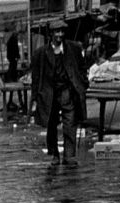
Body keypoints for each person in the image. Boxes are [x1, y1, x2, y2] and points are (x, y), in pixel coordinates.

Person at [31, 19, 89, 166]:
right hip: (49, 94)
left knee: (70, 122)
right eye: (57, 32)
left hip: (67, 91)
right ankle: (54, 155)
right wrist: (35, 98)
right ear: (51, 34)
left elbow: (82, 68)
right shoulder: (41, 53)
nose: (60, 34)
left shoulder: (74, 48)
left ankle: (69, 156)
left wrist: (83, 83)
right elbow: (36, 78)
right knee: (51, 125)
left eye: (62, 31)